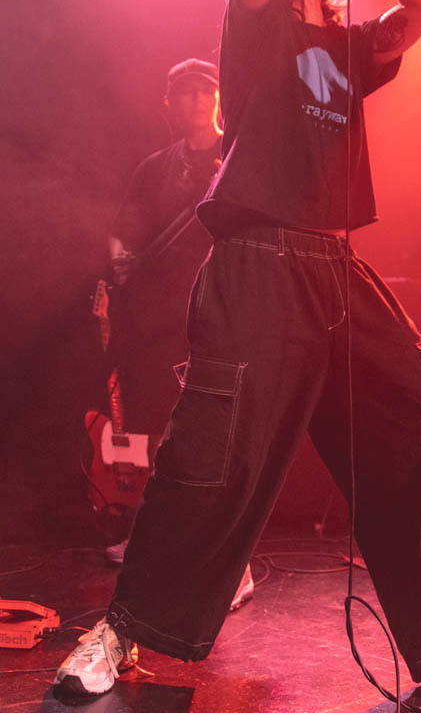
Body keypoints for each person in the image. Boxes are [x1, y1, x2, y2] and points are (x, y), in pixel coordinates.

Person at [56, 0, 421, 705]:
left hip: (334, 265)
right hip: (257, 263)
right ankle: (119, 632)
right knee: (211, 457)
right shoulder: (258, 32)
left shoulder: (351, 48)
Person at [96, 58, 256, 609]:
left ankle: (231, 561)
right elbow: (123, 231)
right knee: (153, 430)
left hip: (219, 310)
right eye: (184, 93)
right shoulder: (154, 168)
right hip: (157, 319)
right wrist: (119, 260)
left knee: (213, 431)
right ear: (169, 104)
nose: (196, 101)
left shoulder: (237, 154)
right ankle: (150, 534)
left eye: (204, 91)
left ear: (218, 98)